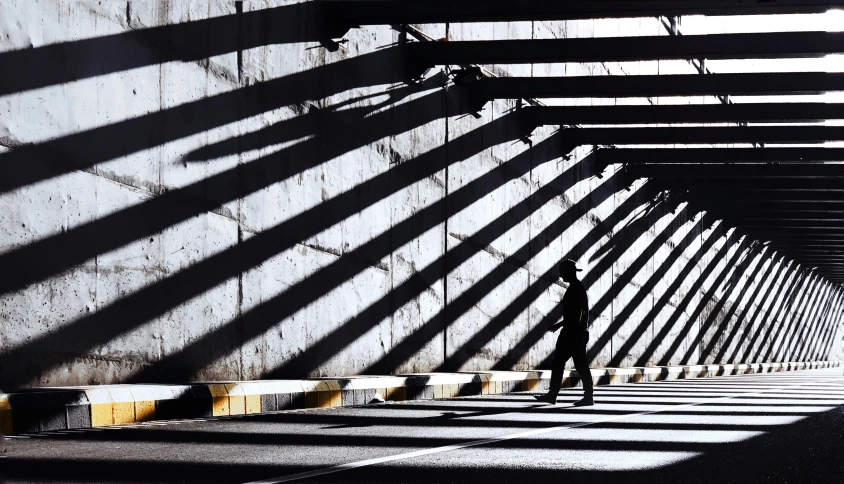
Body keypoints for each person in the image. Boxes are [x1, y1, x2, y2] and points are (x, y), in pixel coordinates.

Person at [535, 259, 594, 406]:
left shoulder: (576, 289)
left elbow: (576, 315)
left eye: (562, 272)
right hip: (573, 332)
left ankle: (585, 397)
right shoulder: (576, 288)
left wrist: (560, 325)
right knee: (566, 363)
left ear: (569, 272)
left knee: (573, 364)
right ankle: (555, 395)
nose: (561, 276)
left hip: (573, 333)